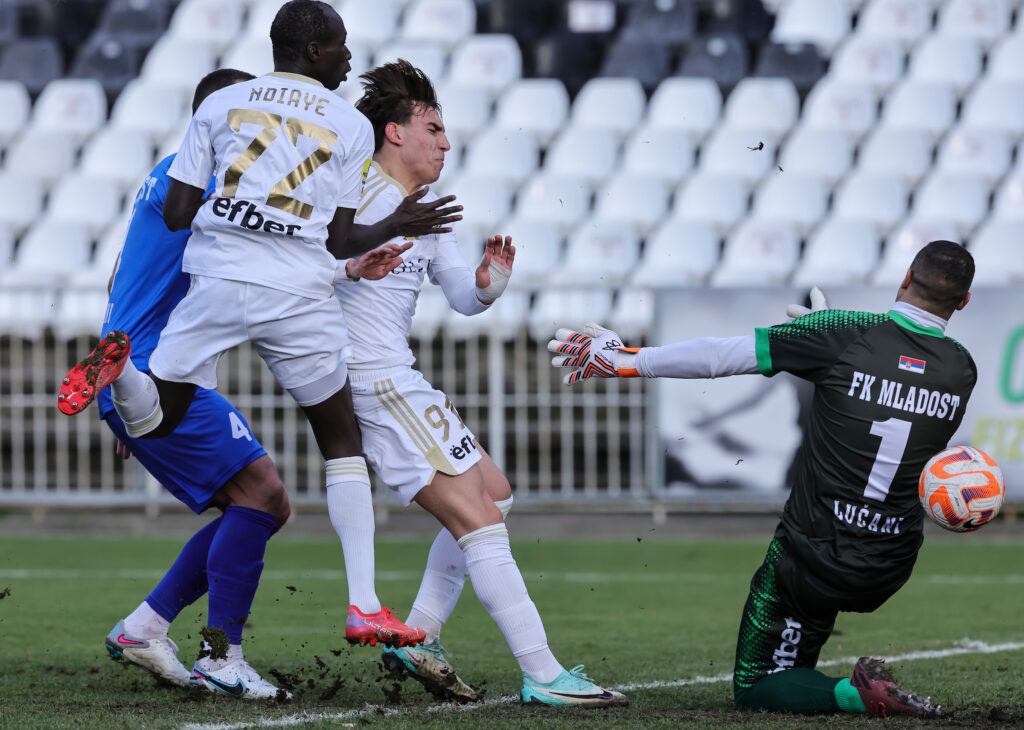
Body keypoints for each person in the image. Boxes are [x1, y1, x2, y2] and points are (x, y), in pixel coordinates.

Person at [58, 1, 460, 654]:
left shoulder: (219, 110)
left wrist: (240, 210)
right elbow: (336, 239)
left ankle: (121, 369)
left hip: (216, 284)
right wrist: (399, 223)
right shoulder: (345, 124)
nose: (349, 58)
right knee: (339, 442)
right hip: (295, 296)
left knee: (154, 417)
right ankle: (358, 607)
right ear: (315, 52)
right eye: (341, 47)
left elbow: (179, 213)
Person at [549, 241, 977, 718]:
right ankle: (817, 676)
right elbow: (888, 385)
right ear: (963, 302)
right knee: (797, 664)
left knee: (757, 687)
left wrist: (625, 359)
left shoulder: (842, 333)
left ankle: (856, 694)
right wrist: (819, 338)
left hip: (812, 558)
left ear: (903, 278)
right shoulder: (960, 369)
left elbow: (719, 356)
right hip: (888, 565)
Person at [334, 59, 628, 708]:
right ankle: (544, 673)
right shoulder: (348, 196)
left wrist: (491, 281)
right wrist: (354, 268)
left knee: (496, 495)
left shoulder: (429, 213)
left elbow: (464, 299)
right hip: (375, 380)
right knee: (480, 522)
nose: (445, 141)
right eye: (433, 128)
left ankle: (420, 636)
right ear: (393, 134)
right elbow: (305, 269)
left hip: (401, 379)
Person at [96, 68, 292, 700]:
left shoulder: (171, 174)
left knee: (262, 501)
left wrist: (130, 398)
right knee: (262, 495)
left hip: (144, 373)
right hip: (154, 369)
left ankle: (146, 626)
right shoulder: (203, 180)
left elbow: (117, 284)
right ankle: (220, 655)